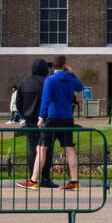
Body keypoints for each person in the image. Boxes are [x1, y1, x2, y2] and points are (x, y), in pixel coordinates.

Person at [19, 55, 84, 191]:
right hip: (67, 118)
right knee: (69, 149)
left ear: (52, 66)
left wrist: (41, 117)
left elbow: (46, 99)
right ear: (65, 65)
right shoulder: (70, 78)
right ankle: (74, 181)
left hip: (53, 118)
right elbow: (80, 87)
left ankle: (33, 180)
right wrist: (72, 72)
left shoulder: (50, 80)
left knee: (42, 148)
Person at [16, 59, 49, 178]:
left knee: (32, 148)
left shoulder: (24, 82)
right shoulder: (47, 82)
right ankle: (45, 177)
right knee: (45, 150)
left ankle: (32, 177)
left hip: (30, 120)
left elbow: (18, 102)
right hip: (45, 120)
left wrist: (25, 114)